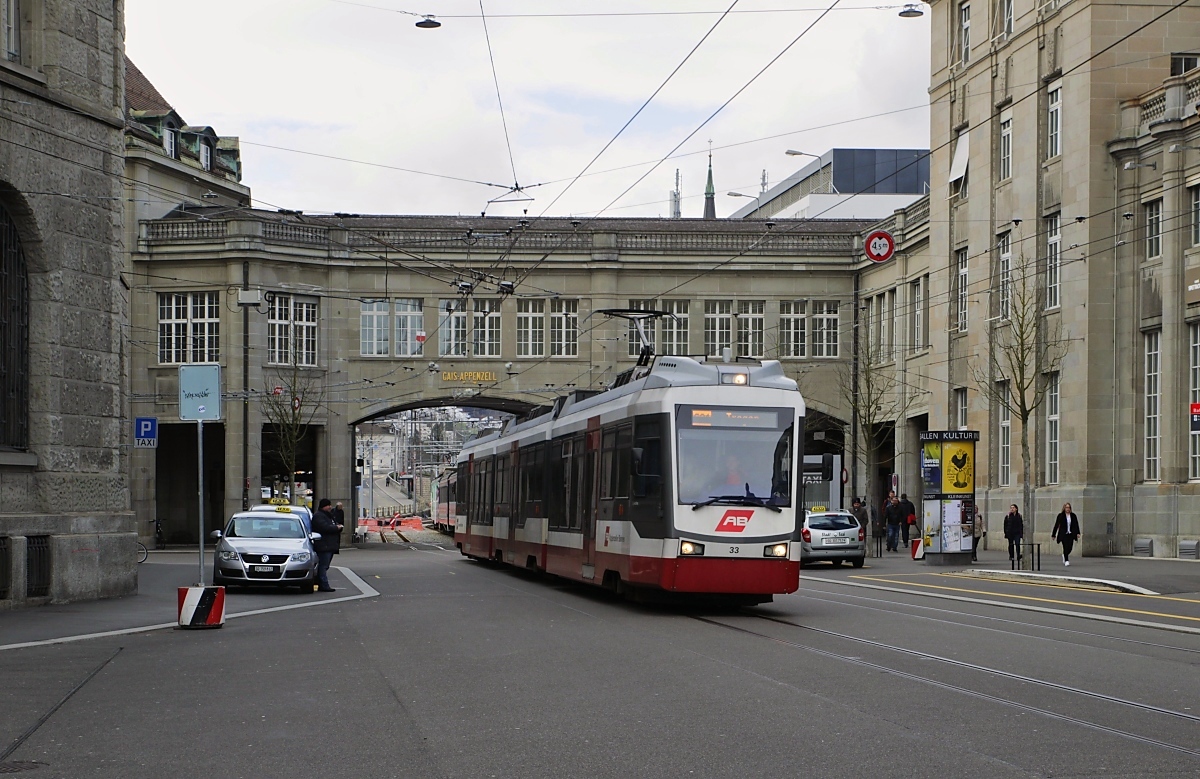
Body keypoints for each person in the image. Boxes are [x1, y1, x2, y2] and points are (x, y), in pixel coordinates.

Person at [311, 498, 344, 592]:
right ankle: (324, 585)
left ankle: (321, 583)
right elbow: (325, 527)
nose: (330, 507)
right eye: (328, 505)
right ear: (323, 506)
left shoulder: (329, 515)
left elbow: (334, 524)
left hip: (329, 545)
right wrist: (336, 528)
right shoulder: (319, 516)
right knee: (323, 566)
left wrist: (338, 527)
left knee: (325, 566)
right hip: (324, 546)